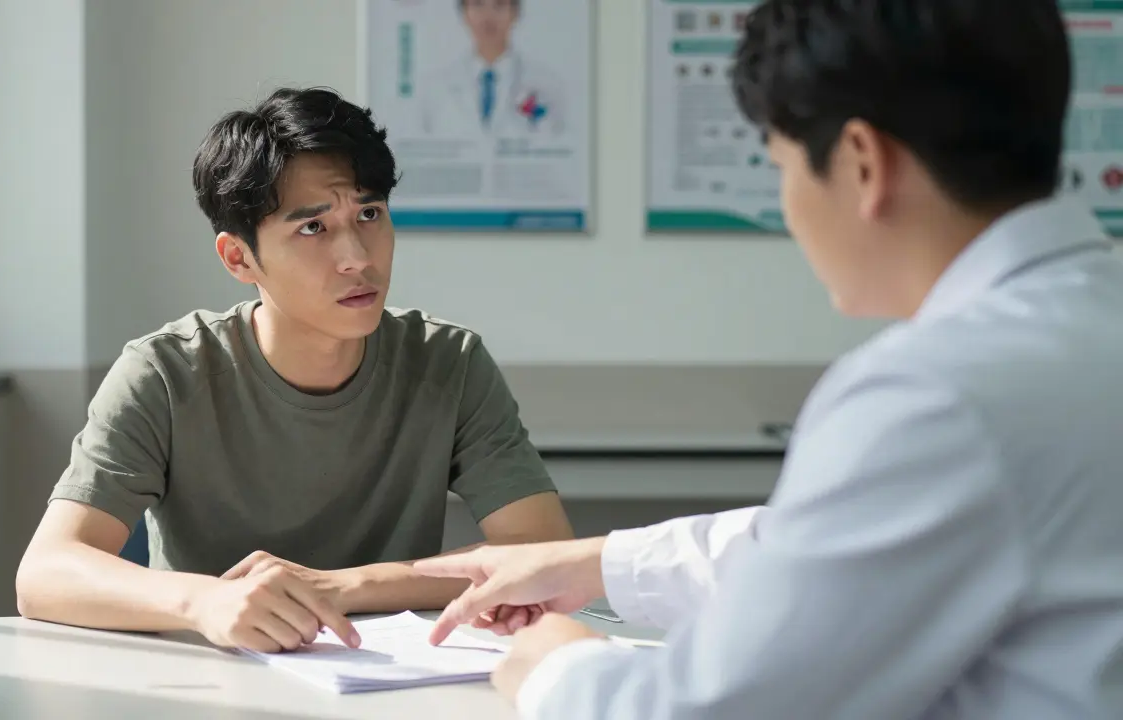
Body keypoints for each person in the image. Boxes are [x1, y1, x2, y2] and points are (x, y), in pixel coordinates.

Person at [415, 0, 1123, 717]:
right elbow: (846, 548)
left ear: (861, 162)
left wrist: (554, 668)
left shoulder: (937, 394)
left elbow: (715, 708)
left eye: (781, 165)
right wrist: (597, 565)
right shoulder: (1086, 324)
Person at [15, 87, 573, 654]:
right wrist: (205, 601)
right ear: (239, 258)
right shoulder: (164, 372)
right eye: (313, 228)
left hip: (393, 679)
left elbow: (542, 551)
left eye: (369, 214)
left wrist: (338, 587)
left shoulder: (449, 363)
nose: (358, 256)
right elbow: (45, 573)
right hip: (209, 678)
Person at [421, 0, 564, 138]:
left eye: (500, 4)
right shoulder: (436, 88)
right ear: (464, 13)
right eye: (478, 4)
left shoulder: (547, 85)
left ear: (515, 12)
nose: (488, 16)